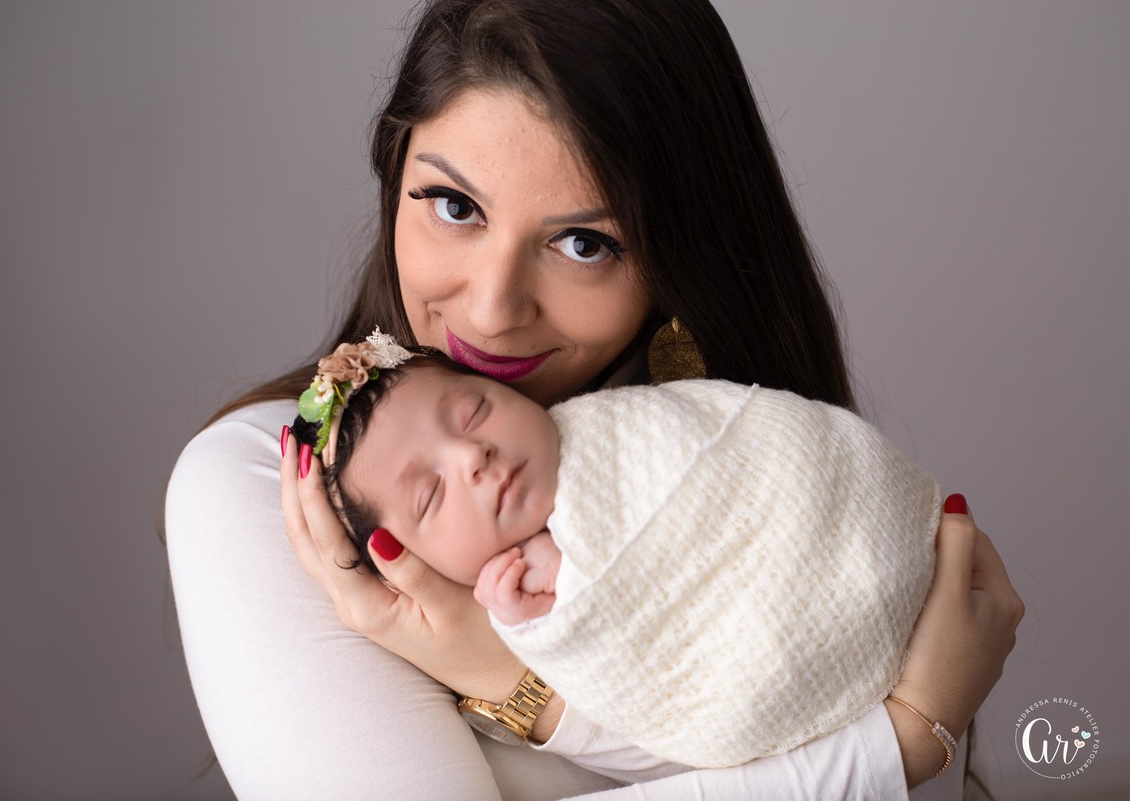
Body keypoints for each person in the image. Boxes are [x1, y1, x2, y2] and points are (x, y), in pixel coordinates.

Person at [165, 1, 1024, 798]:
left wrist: (515, 680)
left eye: (584, 243)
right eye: (455, 205)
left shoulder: (775, 485)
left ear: (680, 261)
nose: (493, 308)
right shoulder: (271, 488)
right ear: (395, 180)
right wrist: (894, 745)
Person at [296, 337, 943, 770]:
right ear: (406, 563)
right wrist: (556, 616)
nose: (471, 456)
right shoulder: (501, 605)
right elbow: (658, 683)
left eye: (473, 412)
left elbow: (766, 452)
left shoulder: (616, 425)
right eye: (431, 493)